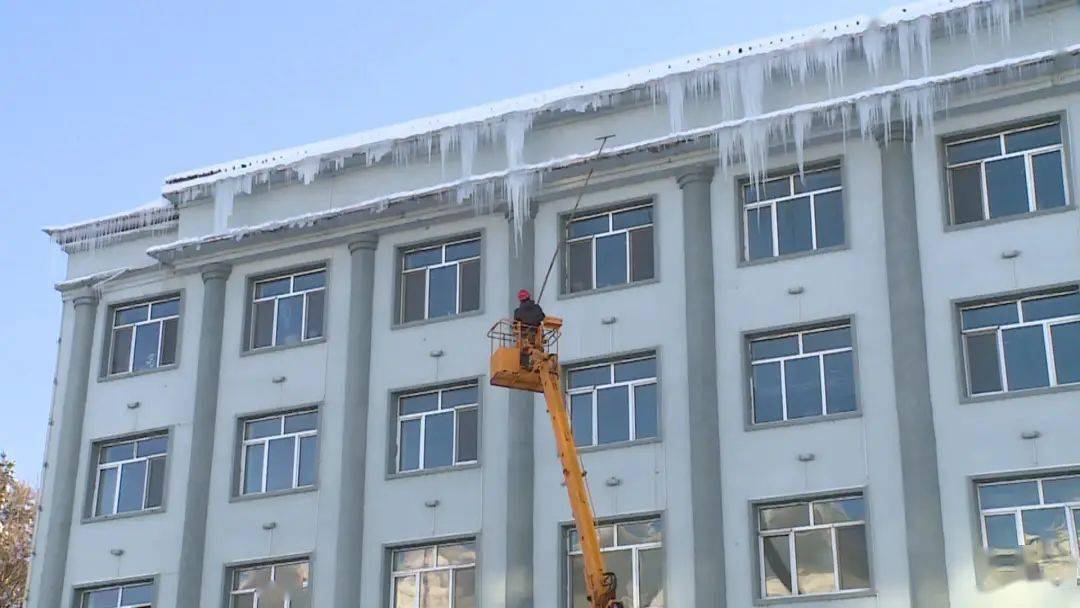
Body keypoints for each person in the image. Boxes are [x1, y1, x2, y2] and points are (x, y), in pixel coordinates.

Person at [513, 289, 545, 368]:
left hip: (525, 339)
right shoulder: (537, 308)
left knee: (523, 352)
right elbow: (542, 317)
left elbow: (515, 324)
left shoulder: (518, 312)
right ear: (529, 297)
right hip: (537, 338)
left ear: (520, 300)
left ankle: (526, 363)